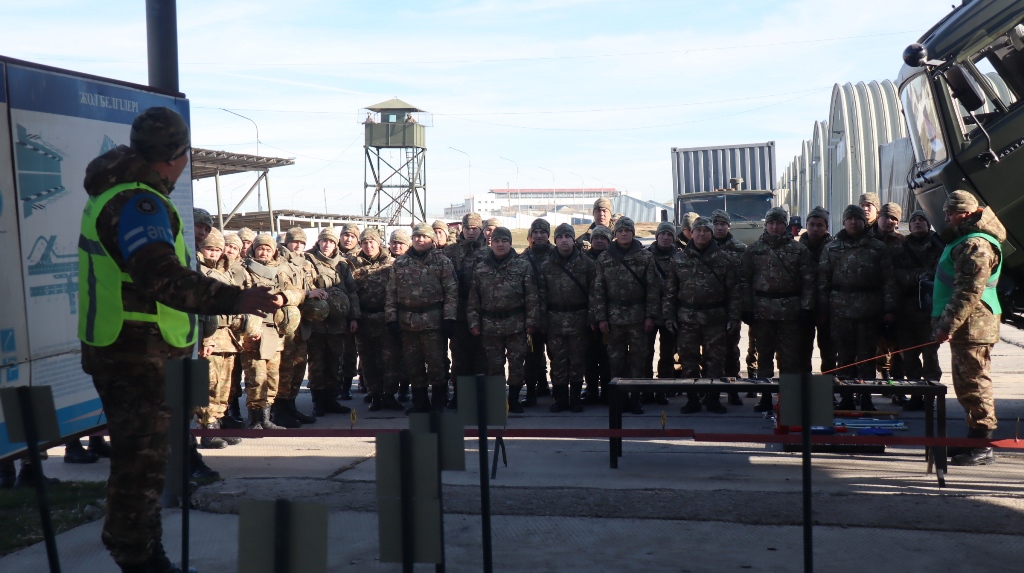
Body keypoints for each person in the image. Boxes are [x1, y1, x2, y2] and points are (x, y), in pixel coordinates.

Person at [77, 107, 279, 573]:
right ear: (176, 157)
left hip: (132, 349)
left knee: (145, 459)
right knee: (140, 465)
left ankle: (144, 551)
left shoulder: (121, 193)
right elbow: (162, 277)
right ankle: (137, 556)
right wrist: (237, 297)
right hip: (134, 353)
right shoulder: (138, 203)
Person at [933, 190, 1005, 466]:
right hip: (968, 326)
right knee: (965, 384)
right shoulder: (965, 240)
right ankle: (973, 439)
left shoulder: (975, 244)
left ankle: (982, 445)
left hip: (973, 325)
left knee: (975, 383)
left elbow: (968, 291)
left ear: (967, 213)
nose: (947, 218)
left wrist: (947, 325)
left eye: (951, 213)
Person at [741, 207, 815, 413]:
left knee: (790, 358)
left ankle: (788, 400)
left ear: (786, 225)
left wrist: (806, 307)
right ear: (766, 225)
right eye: (771, 223)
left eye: (779, 223)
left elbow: (808, 281)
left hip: (790, 311)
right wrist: (746, 308)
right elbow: (744, 281)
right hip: (762, 311)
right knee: (764, 356)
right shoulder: (753, 250)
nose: (775, 227)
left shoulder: (799, 250)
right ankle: (765, 397)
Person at [818, 205, 892, 411]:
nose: (853, 222)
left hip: (869, 310)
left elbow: (888, 281)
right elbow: (823, 282)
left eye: (857, 219)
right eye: (849, 219)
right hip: (839, 310)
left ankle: (866, 397)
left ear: (864, 222)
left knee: (867, 355)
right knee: (844, 356)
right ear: (843, 222)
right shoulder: (832, 248)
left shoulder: (877, 248)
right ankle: (846, 397)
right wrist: (822, 310)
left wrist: (889, 310)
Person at [665, 217, 741, 413]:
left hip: (715, 319)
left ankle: (713, 399)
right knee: (689, 361)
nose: (701, 234)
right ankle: (692, 399)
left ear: (711, 233)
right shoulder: (678, 259)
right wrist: (669, 317)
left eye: (706, 230)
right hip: (687, 318)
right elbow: (671, 292)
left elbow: (733, 292)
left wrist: (734, 317)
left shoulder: (725, 260)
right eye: (698, 230)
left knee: (715, 361)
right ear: (691, 233)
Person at [467, 227, 541, 413]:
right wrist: (474, 322)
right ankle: (498, 401)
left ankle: (514, 399)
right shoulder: (481, 268)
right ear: (491, 243)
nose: (500, 245)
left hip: (516, 324)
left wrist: (532, 321)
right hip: (490, 326)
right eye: (497, 241)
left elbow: (531, 296)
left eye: (504, 241)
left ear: (510, 243)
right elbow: (474, 299)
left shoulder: (522, 265)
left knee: (516, 364)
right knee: (494, 366)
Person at [385, 223, 458, 413]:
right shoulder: (400, 263)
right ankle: (420, 402)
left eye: (424, 237)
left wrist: (449, 318)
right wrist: (391, 318)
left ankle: (439, 401)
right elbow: (391, 293)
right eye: (416, 236)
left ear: (432, 240)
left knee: (436, 363)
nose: (420, 240)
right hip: (408, 322)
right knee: (413, 364)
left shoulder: (442, 262)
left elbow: (451, 291)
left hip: (433, 322)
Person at [591, 217, 660, 415]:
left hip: (638, 317)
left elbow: (653, 288)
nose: (623, 234)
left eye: (627, 231)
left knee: (638, 360)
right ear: (615, 234)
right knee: (615, 360)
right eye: (620, 231)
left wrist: (650, 315)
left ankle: (635, 398)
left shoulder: (645, 257)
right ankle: (619, 399)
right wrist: (601, 317)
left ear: (633, 233)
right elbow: (599, 290)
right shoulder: (605, 258)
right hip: (614, 319)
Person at [239, 234, 306, 429]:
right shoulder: (244, 270)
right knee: (256, 377)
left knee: (272, 377)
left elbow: (298, 292)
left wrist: (284, 297)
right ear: (253, 250)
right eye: (260, 248)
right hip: (255, 332)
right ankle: (255, 419)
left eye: (268, 250)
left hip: (275, 332)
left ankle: (266, 418)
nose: (264, 253)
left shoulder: (279, 271)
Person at [196, 228, 249, 448]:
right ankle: (207, 429)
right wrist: (203, 339)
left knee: (224, 386)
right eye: (209, 248)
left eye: (217, 250)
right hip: (210, 337)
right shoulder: (197, 271)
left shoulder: (224, 271)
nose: (214, 253)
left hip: (227, 336)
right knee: (208, 385)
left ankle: (217, 424)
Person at [886, 209, 944, 410]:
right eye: (914, 220)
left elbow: (940, 272)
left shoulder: (938, 245)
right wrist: (918, 276)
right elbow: (894, 275)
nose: (918, 223)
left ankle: (930, 395)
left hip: (929, 310)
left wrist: (918, 275)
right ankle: (916, 395)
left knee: (930, 354)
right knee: (908, 356)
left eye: (922, 220)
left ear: (928, 224)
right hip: (906, 310)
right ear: (909, 226)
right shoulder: (900, 247)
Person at [538, 223, 597, 412]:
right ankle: (560, 398)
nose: (564, 240)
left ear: (573, 239)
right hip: (555, 320)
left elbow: (594, 293)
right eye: (560, 237)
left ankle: (575, 398)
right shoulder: (546, 265)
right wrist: (542, 321)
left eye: (567, 237)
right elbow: (541, 296)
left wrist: (592, 317)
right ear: (555, 240)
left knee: (578, 360)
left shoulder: (587, 264)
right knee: (558, 361)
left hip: (579, 319)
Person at [304, 227, 359, 416]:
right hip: (316, 322)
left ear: (336, 244)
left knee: (335, 361)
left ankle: (331, 399)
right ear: (318, 242)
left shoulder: (342, 265)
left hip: (337, 323)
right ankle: (318, 401)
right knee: (317, 362)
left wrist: (354, 317)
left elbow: (352, 292)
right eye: (324, 241)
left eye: (331, 242)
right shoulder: (308, 261)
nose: (327, 245)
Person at [351, 228, 405, 411]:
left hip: (385, 317)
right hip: (364, 318)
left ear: (379, 243)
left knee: (390, 359)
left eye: (371, 242)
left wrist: (394, 317)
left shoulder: (391, 264)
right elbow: (351, 293)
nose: (368, 246)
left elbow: (397, 292)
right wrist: (354, 317)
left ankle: (389, 395)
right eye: (364, 243)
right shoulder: (352, 264)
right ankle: (375, 395)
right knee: (368, 360)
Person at [443, 213, 491, 409]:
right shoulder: (450, 252)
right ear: (461, 229)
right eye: (467, 228)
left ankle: (480, 397)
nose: (471, 232)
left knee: (483, 358)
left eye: (475, 228)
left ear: (481, 229)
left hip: (483, 313)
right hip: (459, 314)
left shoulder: (489, 252)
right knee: (460, 357)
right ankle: (459, 395)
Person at [710, 209, 747, 405]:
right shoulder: (704, 246)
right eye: (715, 224)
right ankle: (709, 391)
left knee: (731, 351)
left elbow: (746, 279)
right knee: (711, 353)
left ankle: (733, 390)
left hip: (732, 306)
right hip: (709, 309)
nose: (719, 227)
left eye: (722, 224)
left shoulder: (740, 248)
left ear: (729, 226)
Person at [644, 221, 680, 405]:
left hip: (670, 314)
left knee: (667, 354)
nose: (665, 237)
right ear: (657, 236)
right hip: (648, 313)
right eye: (662, 234)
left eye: (669, 234)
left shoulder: (680, 257)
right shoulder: (645, 256)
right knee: (645, 353)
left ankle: (663, 389)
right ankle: (645, 389)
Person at [519, 218, 554, 406]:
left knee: (557, 355)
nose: (539, 236)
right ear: (530, 236)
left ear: (548, 235)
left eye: (542, 232)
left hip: (555, 317)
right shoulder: (523, 259)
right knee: (532, 356)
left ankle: (559, 393)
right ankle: (532, 392)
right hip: (532, 317)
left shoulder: (557, 255)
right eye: (535, 232)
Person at [799, 207, 835, 374]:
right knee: (801, 351)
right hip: (802, 309)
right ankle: (805, 386)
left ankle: (828, 387)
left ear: (826, 227)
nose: (815, 229)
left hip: (828, 309)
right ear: (806, 225)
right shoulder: (796, 249)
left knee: (829, 352)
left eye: (820, 225)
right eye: (811, 224)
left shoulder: (835, 248)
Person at [582, 225, 613, 403]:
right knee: (590, 356)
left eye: (603, 238)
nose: (599, 241)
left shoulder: (614, 258)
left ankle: (608, 390)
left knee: (608, 355)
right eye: (596, 238)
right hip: (587, 316)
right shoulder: (583, 260)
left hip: (610, 316)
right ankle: (591, 389)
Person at [336, 223, 362, 399]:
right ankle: (334, 385)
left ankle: (347, 385)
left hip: (355, 308)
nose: (348, 239)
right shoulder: (332, 253)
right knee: (336, 351)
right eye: (346, 235)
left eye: (352, 236)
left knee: (351, 351)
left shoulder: (361, 257)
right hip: (335, 311)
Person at [389, 230, 413, 401]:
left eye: (401, 243)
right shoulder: (385, 262)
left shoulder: (412, 262)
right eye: (394, 243)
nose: (397, 246)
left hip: (409, 316)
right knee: (391, 356)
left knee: (407, 356)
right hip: (390, 314)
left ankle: (404, 388)